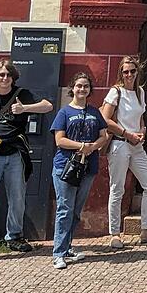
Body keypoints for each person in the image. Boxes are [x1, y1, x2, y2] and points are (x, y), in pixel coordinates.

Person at [0, 59, 53, 260]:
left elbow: (48, 106)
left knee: (17, 198)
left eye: (8, 75)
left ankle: (14, 237)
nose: (5, 78)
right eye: (1, 74)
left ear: (13, 77)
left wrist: (24, 109)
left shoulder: (21, 94)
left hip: (15, 154)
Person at [101, 56, 147, 249]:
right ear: (120, 73)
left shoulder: (140, 92)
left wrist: (143, 131)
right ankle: (114, 233)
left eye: (132, 71)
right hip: (120, 144)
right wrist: (127, 133)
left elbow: (141, 117)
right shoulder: (116, 92)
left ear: (138, 72)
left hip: (136, 146)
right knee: (117, 188)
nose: (129, 75)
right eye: (125, 71)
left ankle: (146, 229)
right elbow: (105, 119)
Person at [50, 73, 107, 269]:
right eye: (78, 86)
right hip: (66, 166)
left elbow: (103, 136)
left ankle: (67, 247)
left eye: (85, 86)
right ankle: (58, 252)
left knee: (75, 210)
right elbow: (60, 140)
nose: (82, 89)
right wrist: (81, 145)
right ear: (72, 88)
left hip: (87, 167)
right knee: (64, 209)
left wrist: (93, 147)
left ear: (89, 90)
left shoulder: (94, 112)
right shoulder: (64, 113)